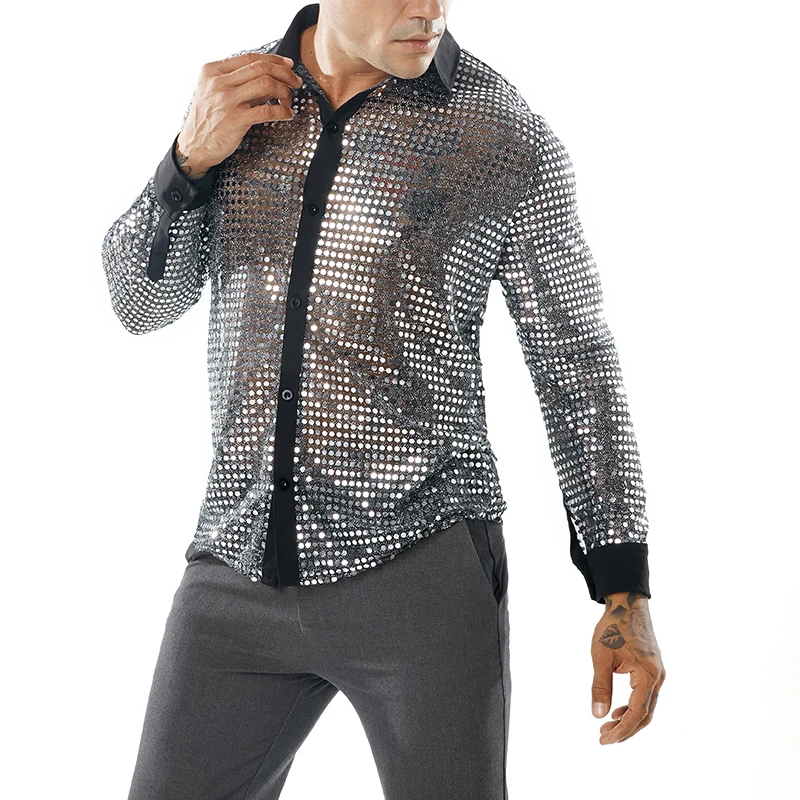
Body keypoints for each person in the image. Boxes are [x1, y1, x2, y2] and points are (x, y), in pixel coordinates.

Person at [101, 2, 666, 798]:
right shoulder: (237, 101)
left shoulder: (502, 133)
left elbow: (574, 359)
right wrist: (186, 163)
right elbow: (139, 304)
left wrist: (622, 585)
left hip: (420, 572)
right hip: (237, 567)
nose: (427, 9)